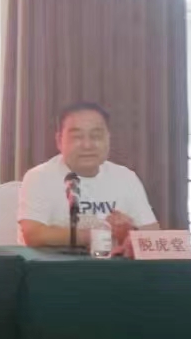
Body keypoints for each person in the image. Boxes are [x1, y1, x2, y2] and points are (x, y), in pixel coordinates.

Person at [17, 102, 158, 250]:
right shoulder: (39, 177)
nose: (87, 145)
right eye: (77, 137)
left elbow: (152, 234)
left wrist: (129, 233)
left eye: (96, 136)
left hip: (113, 262)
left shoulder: (126, 177)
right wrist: (101, 234)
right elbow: (34, 235)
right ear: (59, 141)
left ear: (108, 139)